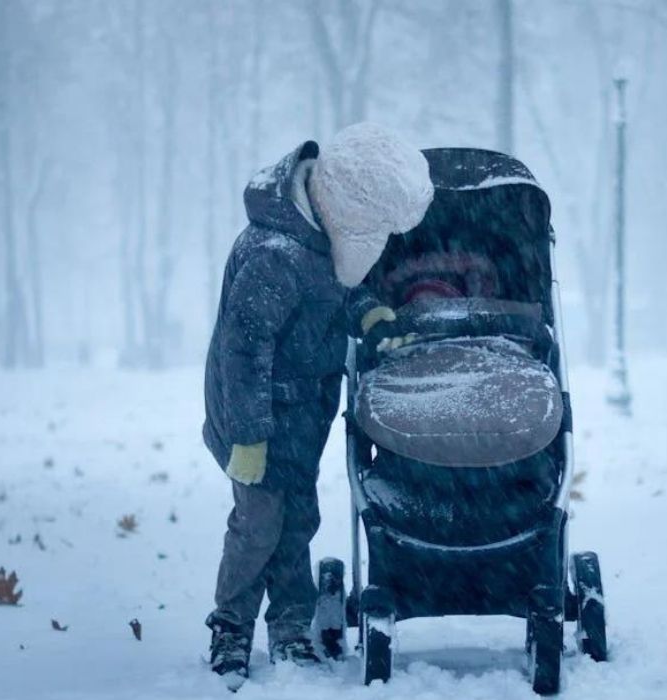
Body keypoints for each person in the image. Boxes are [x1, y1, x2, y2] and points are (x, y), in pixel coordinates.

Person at [201, 122, 433, 687]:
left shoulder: (320, 236)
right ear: (344, 206)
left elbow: (339, 291)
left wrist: (369, 312)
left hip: (303, 412)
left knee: (297, 520)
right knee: (258, 525)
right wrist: (249, 437)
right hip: (251, 415)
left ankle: (288, 628)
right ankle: (230, 628)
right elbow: (244, 348)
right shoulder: (272, 255)